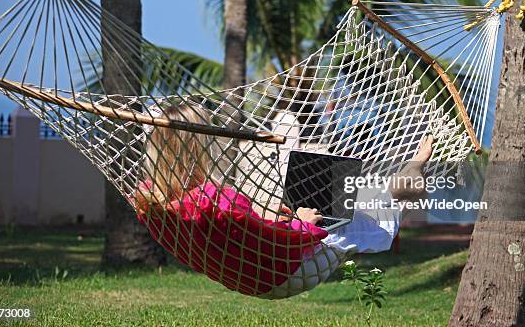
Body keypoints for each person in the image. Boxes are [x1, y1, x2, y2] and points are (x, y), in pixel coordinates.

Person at [132, 104, 433, 299]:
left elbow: (246, 237)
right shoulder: (214, 200)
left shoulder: (148, 201)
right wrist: (303, 225)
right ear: (198, 147)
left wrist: (277, 219)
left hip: (246, 272)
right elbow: (273, 243)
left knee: (339, 196)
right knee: (353, 213)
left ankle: (400, 185)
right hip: (284, 271)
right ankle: (407, 182)